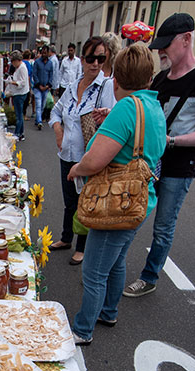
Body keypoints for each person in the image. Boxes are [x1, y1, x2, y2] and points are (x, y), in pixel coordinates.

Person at [65, 42, 166, 345]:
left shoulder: (125, 108)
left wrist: (76, 169)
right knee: (118, 260)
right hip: (139, 199)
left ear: (116, 80)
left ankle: (82, 330)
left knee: (94, 271)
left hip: (116, 203)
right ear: (149, 78)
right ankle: (109, 311)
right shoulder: (152, 106)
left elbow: (96, 158)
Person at [123, 12, 195, 297]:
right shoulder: (161, 78)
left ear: (186, 39)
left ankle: (149, 277)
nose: (160, 50)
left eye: (165, 44)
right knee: (130, 216)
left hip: (178, 167)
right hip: (149, 163)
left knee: (163, 226)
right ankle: (113, 270)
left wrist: (173, 140)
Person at [49, 36, 116, 265]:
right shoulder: (72, 86)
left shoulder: (106, 87)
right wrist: (58, 130)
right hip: (66, 154)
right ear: (82, 58)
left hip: (88, 158)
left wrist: (108, 115)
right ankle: (66, 238)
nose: (95, 63)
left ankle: (82, 247)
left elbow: (116, 120)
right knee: (69, 201)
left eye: (100, 58)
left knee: (86, 202)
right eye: (90, 58)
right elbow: (55, 112)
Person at [5, 51, 29, 141]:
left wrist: (11, 82)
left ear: (17, 60)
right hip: (19, 93)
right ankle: (21, 133)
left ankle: (18, 133)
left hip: (20, 94)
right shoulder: (20, 67)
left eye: (13, 61)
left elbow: (22, 82)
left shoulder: (22, 68)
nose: (12, 63)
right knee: (19, 114)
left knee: (18, 115)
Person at [32, 45, 54, 129]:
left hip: (46, 88)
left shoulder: (50, 63)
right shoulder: (37, 62)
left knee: (42, 105)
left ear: (48, 53)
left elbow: (51, 75)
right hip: (38, 88)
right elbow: (35, 74)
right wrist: (39, 85)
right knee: (38, 104)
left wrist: (48, 85)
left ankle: (38, 119)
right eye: (43, 52)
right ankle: (40, 122)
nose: (44, 54)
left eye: (46, 52)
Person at [22, 49, 33, 120]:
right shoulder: (28, 64)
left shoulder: (21, 62)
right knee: (26, 101)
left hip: (21, 84)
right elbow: (28, 75)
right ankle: (24, 115)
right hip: (26, 84)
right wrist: (29, 85)